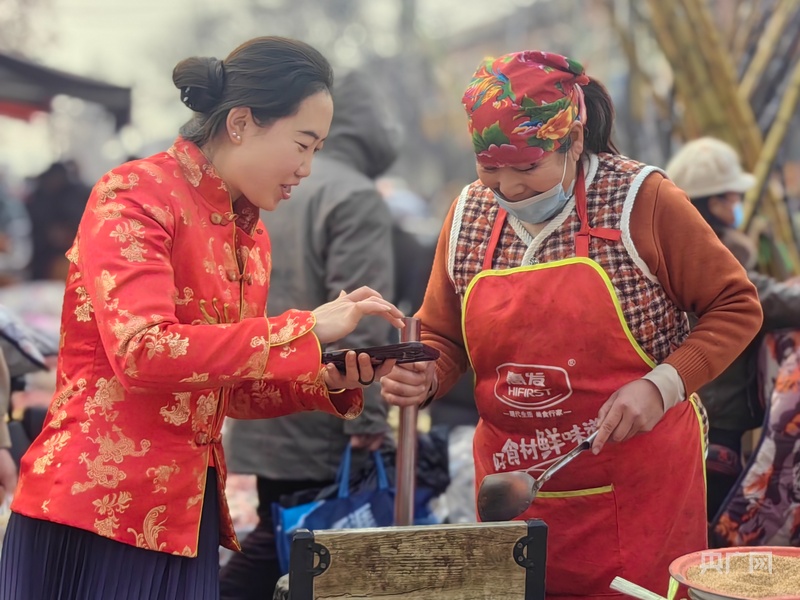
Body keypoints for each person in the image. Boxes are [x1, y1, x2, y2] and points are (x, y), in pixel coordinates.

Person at [0, 36, 403, 600]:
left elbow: (225, 389)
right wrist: (304, 328)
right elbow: (143, 351)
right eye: (302, 144)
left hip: (187, 516)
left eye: (317, 149)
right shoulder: (134, 194)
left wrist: (325, 377)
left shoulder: (251, 235)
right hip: (97, 509)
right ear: (240, 123)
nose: (307, 168)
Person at [380, 51, 762, 598]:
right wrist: (426, 376)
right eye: (490, 169)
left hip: (639, 492)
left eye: (527, 168)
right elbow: (441, 334)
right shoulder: (468, 214)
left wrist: (663, 385)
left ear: (574, 141)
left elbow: (736, 304)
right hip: (512, 490)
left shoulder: (640, 200)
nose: (508, 188)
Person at [219, 71, 398, 599]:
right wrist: (369, 416)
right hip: (323, 409)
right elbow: (363, 309)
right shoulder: (354, 196)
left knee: (280, 536)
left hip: (259, 397)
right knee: (295, 550)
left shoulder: (259, 186)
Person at [666, 136, 800, 521]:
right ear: (714, 204)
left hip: (687, 417)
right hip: (716, 427)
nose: (737, 205)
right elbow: (772, 299)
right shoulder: (715, 263)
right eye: (732, 197)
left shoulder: (671, 255)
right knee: (710, 528)